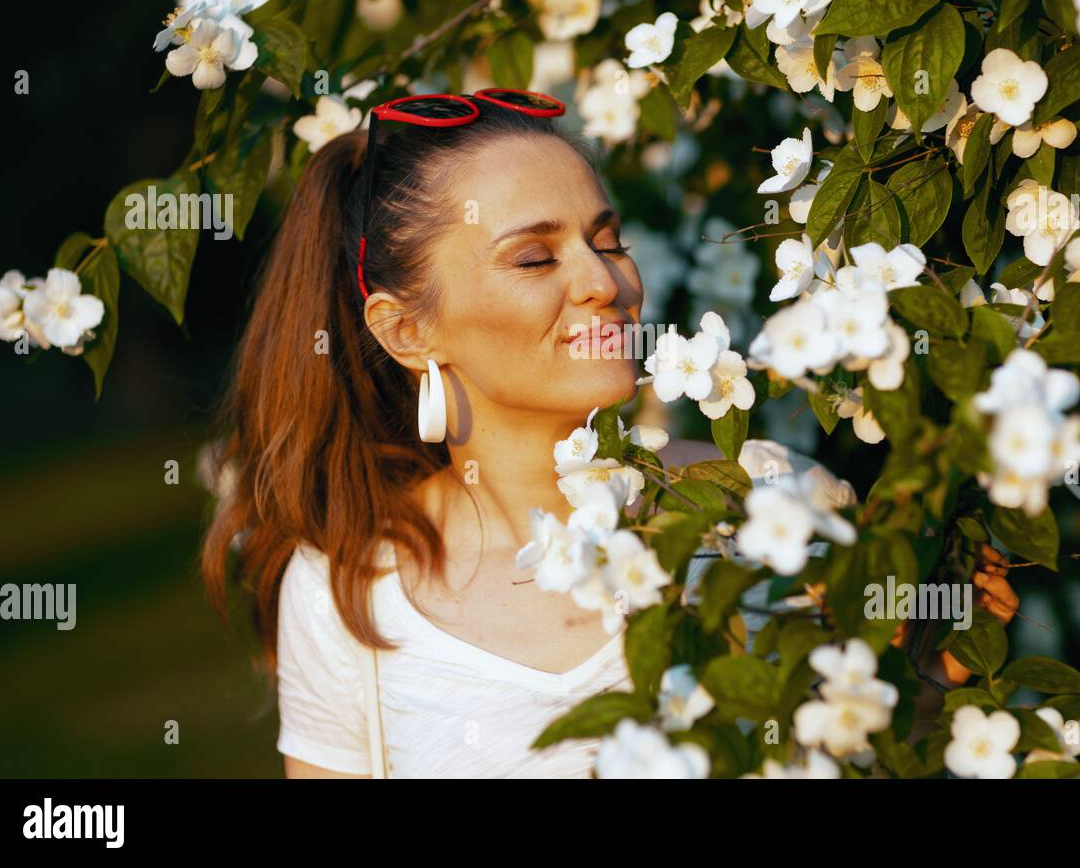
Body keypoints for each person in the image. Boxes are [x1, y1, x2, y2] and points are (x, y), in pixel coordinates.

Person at [199, 91, 804, 777]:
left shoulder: (766, 497)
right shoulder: (349, 594)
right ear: (406, 330)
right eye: (534, 259)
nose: (603, 281)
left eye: (609, 242)